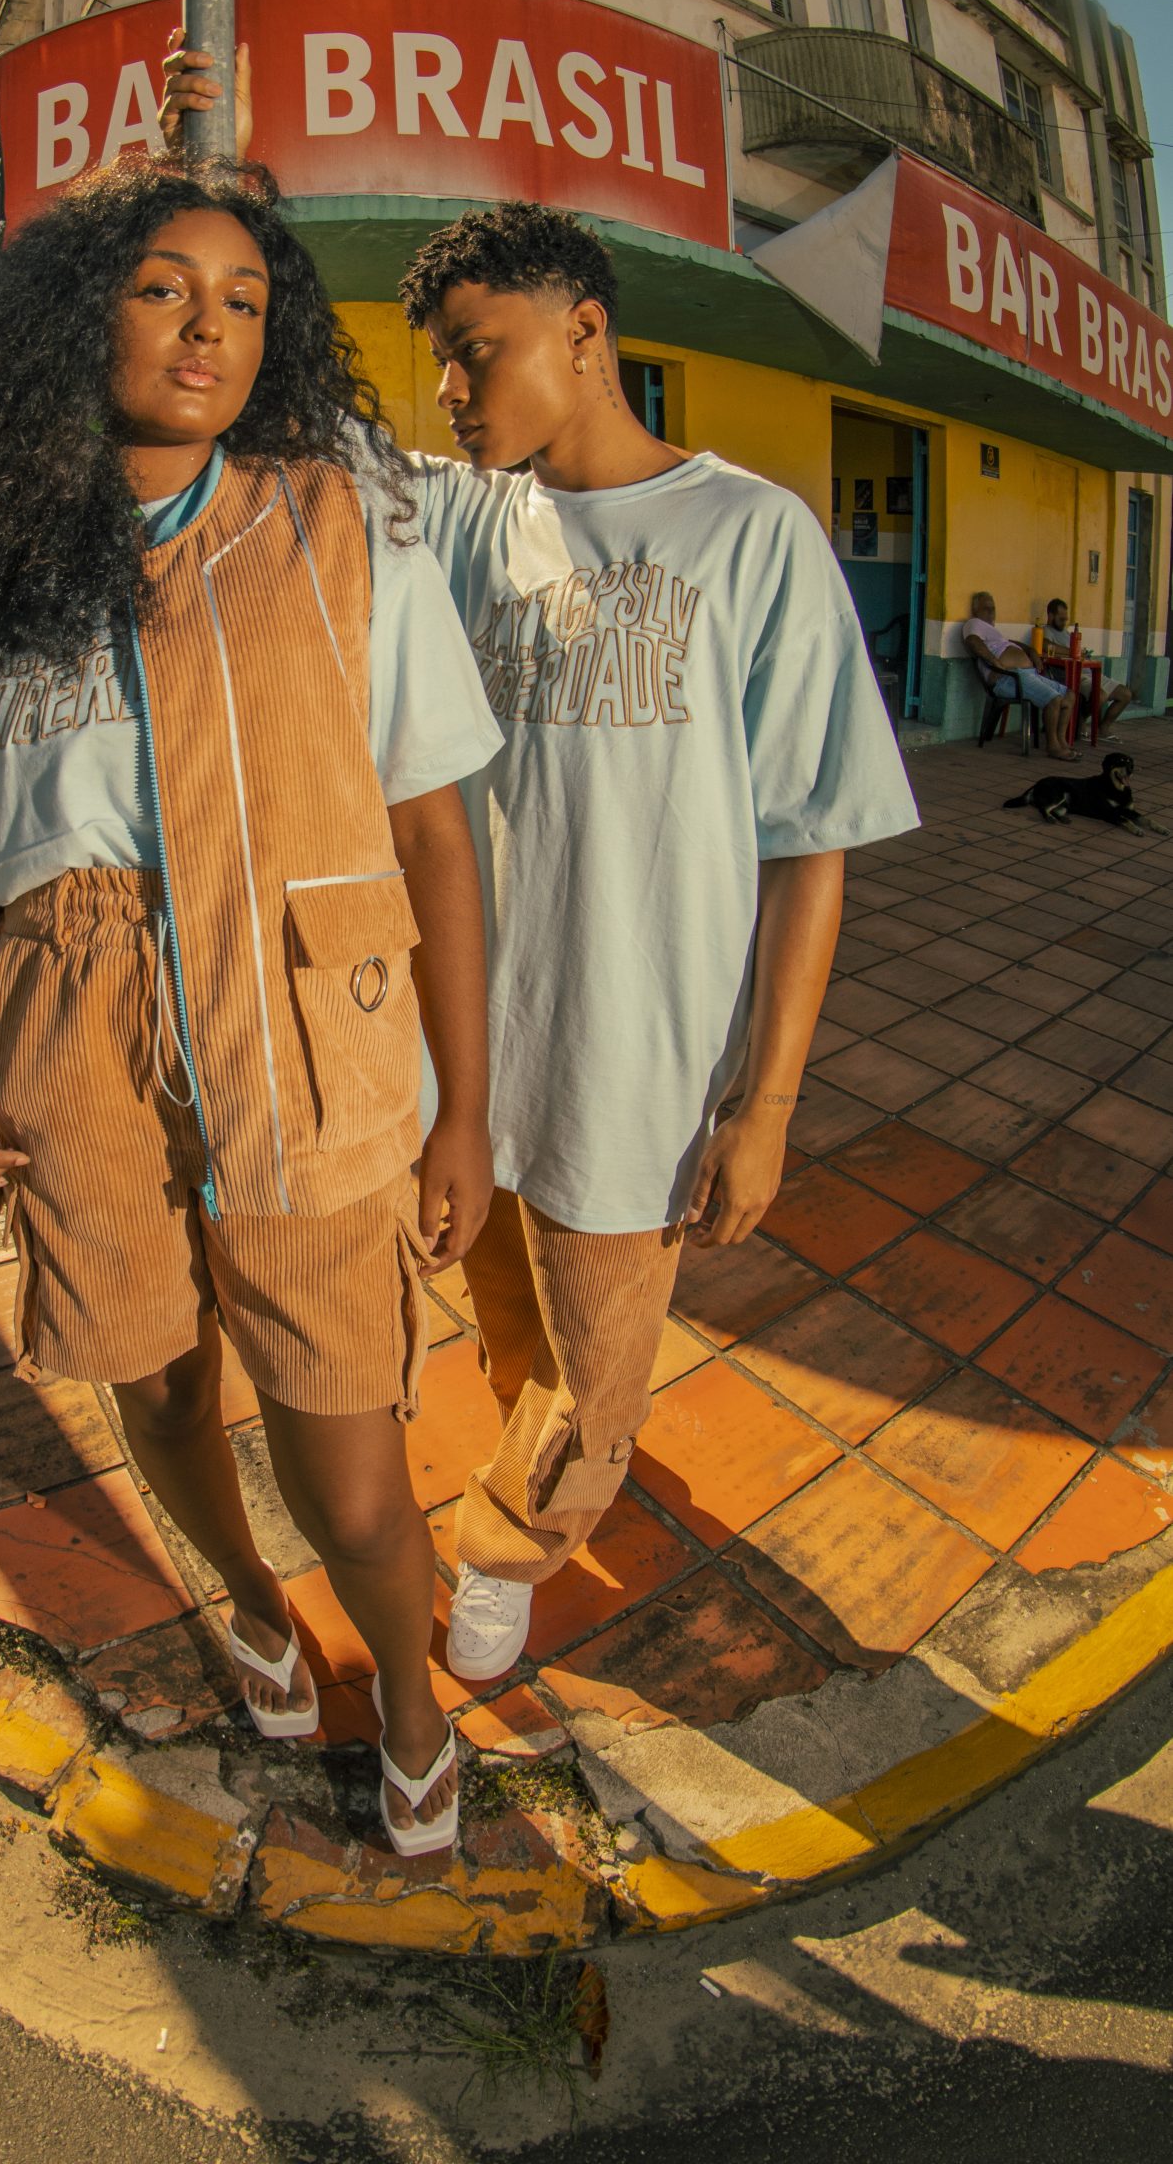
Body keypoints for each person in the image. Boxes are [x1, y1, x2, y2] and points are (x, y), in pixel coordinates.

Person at [0, 153, 503, 1853]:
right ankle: (254, 1615)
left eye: (243, 301)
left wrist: (468, 1112)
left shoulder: (336, 527)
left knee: (350, 1464)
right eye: (161, 289)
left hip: (304, 1024)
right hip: (68, 1029)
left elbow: (434, 827)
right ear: (84, 316)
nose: (207, 329)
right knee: (156, 1388)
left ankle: (409, 1702)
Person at [388, 204, 922, 1679]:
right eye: (441, 364)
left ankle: (514, 1537)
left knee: (600, 1350)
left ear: (583, 332)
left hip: (634, 1065)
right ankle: (560, 1450)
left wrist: (767, 1105)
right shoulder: (460, 518)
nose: (451, 390)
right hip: (471, 1053)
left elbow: (809, 841)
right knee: (510, 1323)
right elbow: (285, 430)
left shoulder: (750, 534)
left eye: (475, 352)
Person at [962, 594, 1076, 758]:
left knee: (1069, 695)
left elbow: (1009, 642)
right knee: (1055, 700)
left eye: (993, 609)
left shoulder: (992, 632)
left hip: (1026, 674)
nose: (991, 612)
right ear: (975, 610)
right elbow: (972, 641)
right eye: (986, 608)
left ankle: (1062, 741)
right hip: (1007, 677)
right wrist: (995, 662)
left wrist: (1031, 652)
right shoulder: (974, 624)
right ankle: (1053, 746)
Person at [1034, 597, 1133, 737]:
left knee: (1125, 694)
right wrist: (1073, 652)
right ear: (1050, 616)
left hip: (1089, 672)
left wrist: (1080, 653)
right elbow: (1045, 645)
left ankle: (1103, 728)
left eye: (1065, 619)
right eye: (1061, 619)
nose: (1064, 622)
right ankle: (1080, 721)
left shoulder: (1067, 633)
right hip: (1076, 675)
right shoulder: (1045, 630)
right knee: (1100, 696)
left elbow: (1076, 652)